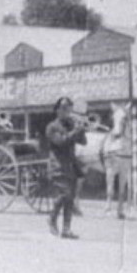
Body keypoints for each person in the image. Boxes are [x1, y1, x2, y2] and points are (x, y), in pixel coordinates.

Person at [46, 97, 86, 240]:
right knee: (64, 195)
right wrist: (75, 130)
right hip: (57, 166)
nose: (67, 111)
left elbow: (83, 142)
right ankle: (51, 219)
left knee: (70, 198)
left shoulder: (70, 125)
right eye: (64, 108)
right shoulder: (52, 127)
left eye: (69, 108)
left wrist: (80, 129)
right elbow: (61, 142)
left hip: (71, 167)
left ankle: (66, 229)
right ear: (57, 110)